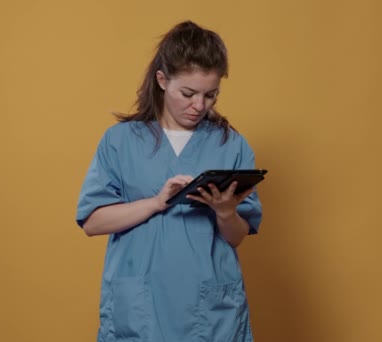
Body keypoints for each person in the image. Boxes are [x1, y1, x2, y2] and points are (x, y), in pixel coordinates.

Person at [76, 20, 263, 342]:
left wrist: (225, 211)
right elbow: (92, 222)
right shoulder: (120, 141)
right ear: (162, 80)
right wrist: (155, 202)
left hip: (209, 307)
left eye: (211, 95)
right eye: (188, 93)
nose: (199, 106)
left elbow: (236, 238)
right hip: (141, 303)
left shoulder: (231, 145)